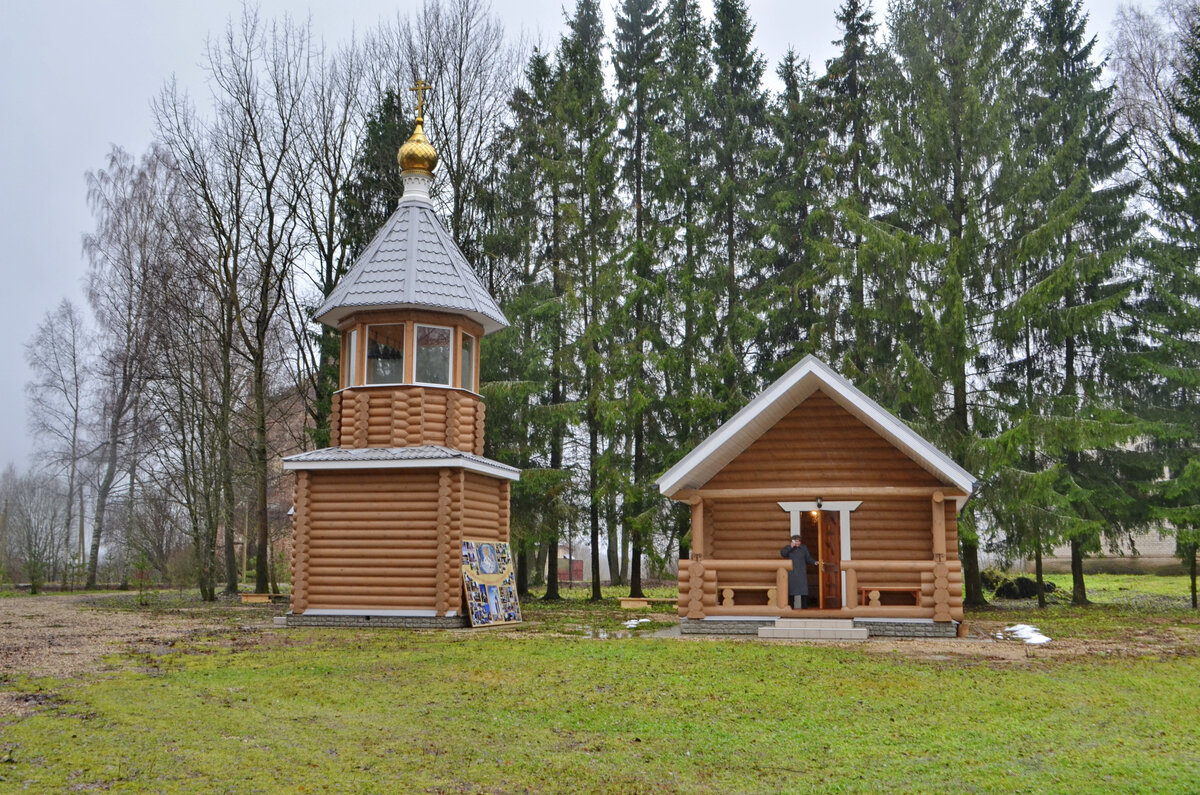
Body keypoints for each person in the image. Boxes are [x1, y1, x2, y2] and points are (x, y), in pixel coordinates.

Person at [780, 535, 821, 609]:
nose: (798, 542)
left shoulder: (804, 548)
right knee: (791, 591)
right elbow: (783, 554)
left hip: (801, 572)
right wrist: (791, 547)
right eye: (796, 541)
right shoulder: (788, 548)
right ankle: (791, 607)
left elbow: (808, 558)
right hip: (792, 573)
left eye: (799, 541)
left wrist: (814, 562)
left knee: (803, 591)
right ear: (792, 541)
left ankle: (805, 607)